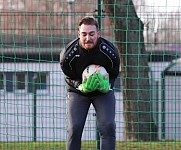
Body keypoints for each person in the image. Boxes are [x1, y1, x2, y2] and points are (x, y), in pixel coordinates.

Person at [60, 16, 120, 150]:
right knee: (74, 128)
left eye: (92, 34)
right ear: (78, 34)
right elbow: (68, 76)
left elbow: (114, 73)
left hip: (102, 92)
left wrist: (107, 85)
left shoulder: (110, 52)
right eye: (84, 34)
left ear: (98, 34)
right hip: (77, 92)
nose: (88, 38)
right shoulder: (68, 55)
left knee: (108, 126)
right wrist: (80, 86)